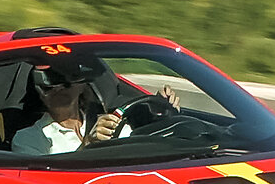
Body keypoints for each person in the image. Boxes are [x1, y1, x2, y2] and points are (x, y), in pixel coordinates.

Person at [11, 65, 180, 155]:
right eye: (47, 86)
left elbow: (139, 156)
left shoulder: (110, 122)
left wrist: (162, 113)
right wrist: (88, 146)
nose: (57, 90)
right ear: (40, 92)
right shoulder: (29, 138)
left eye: (64, 81)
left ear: (81, 84)